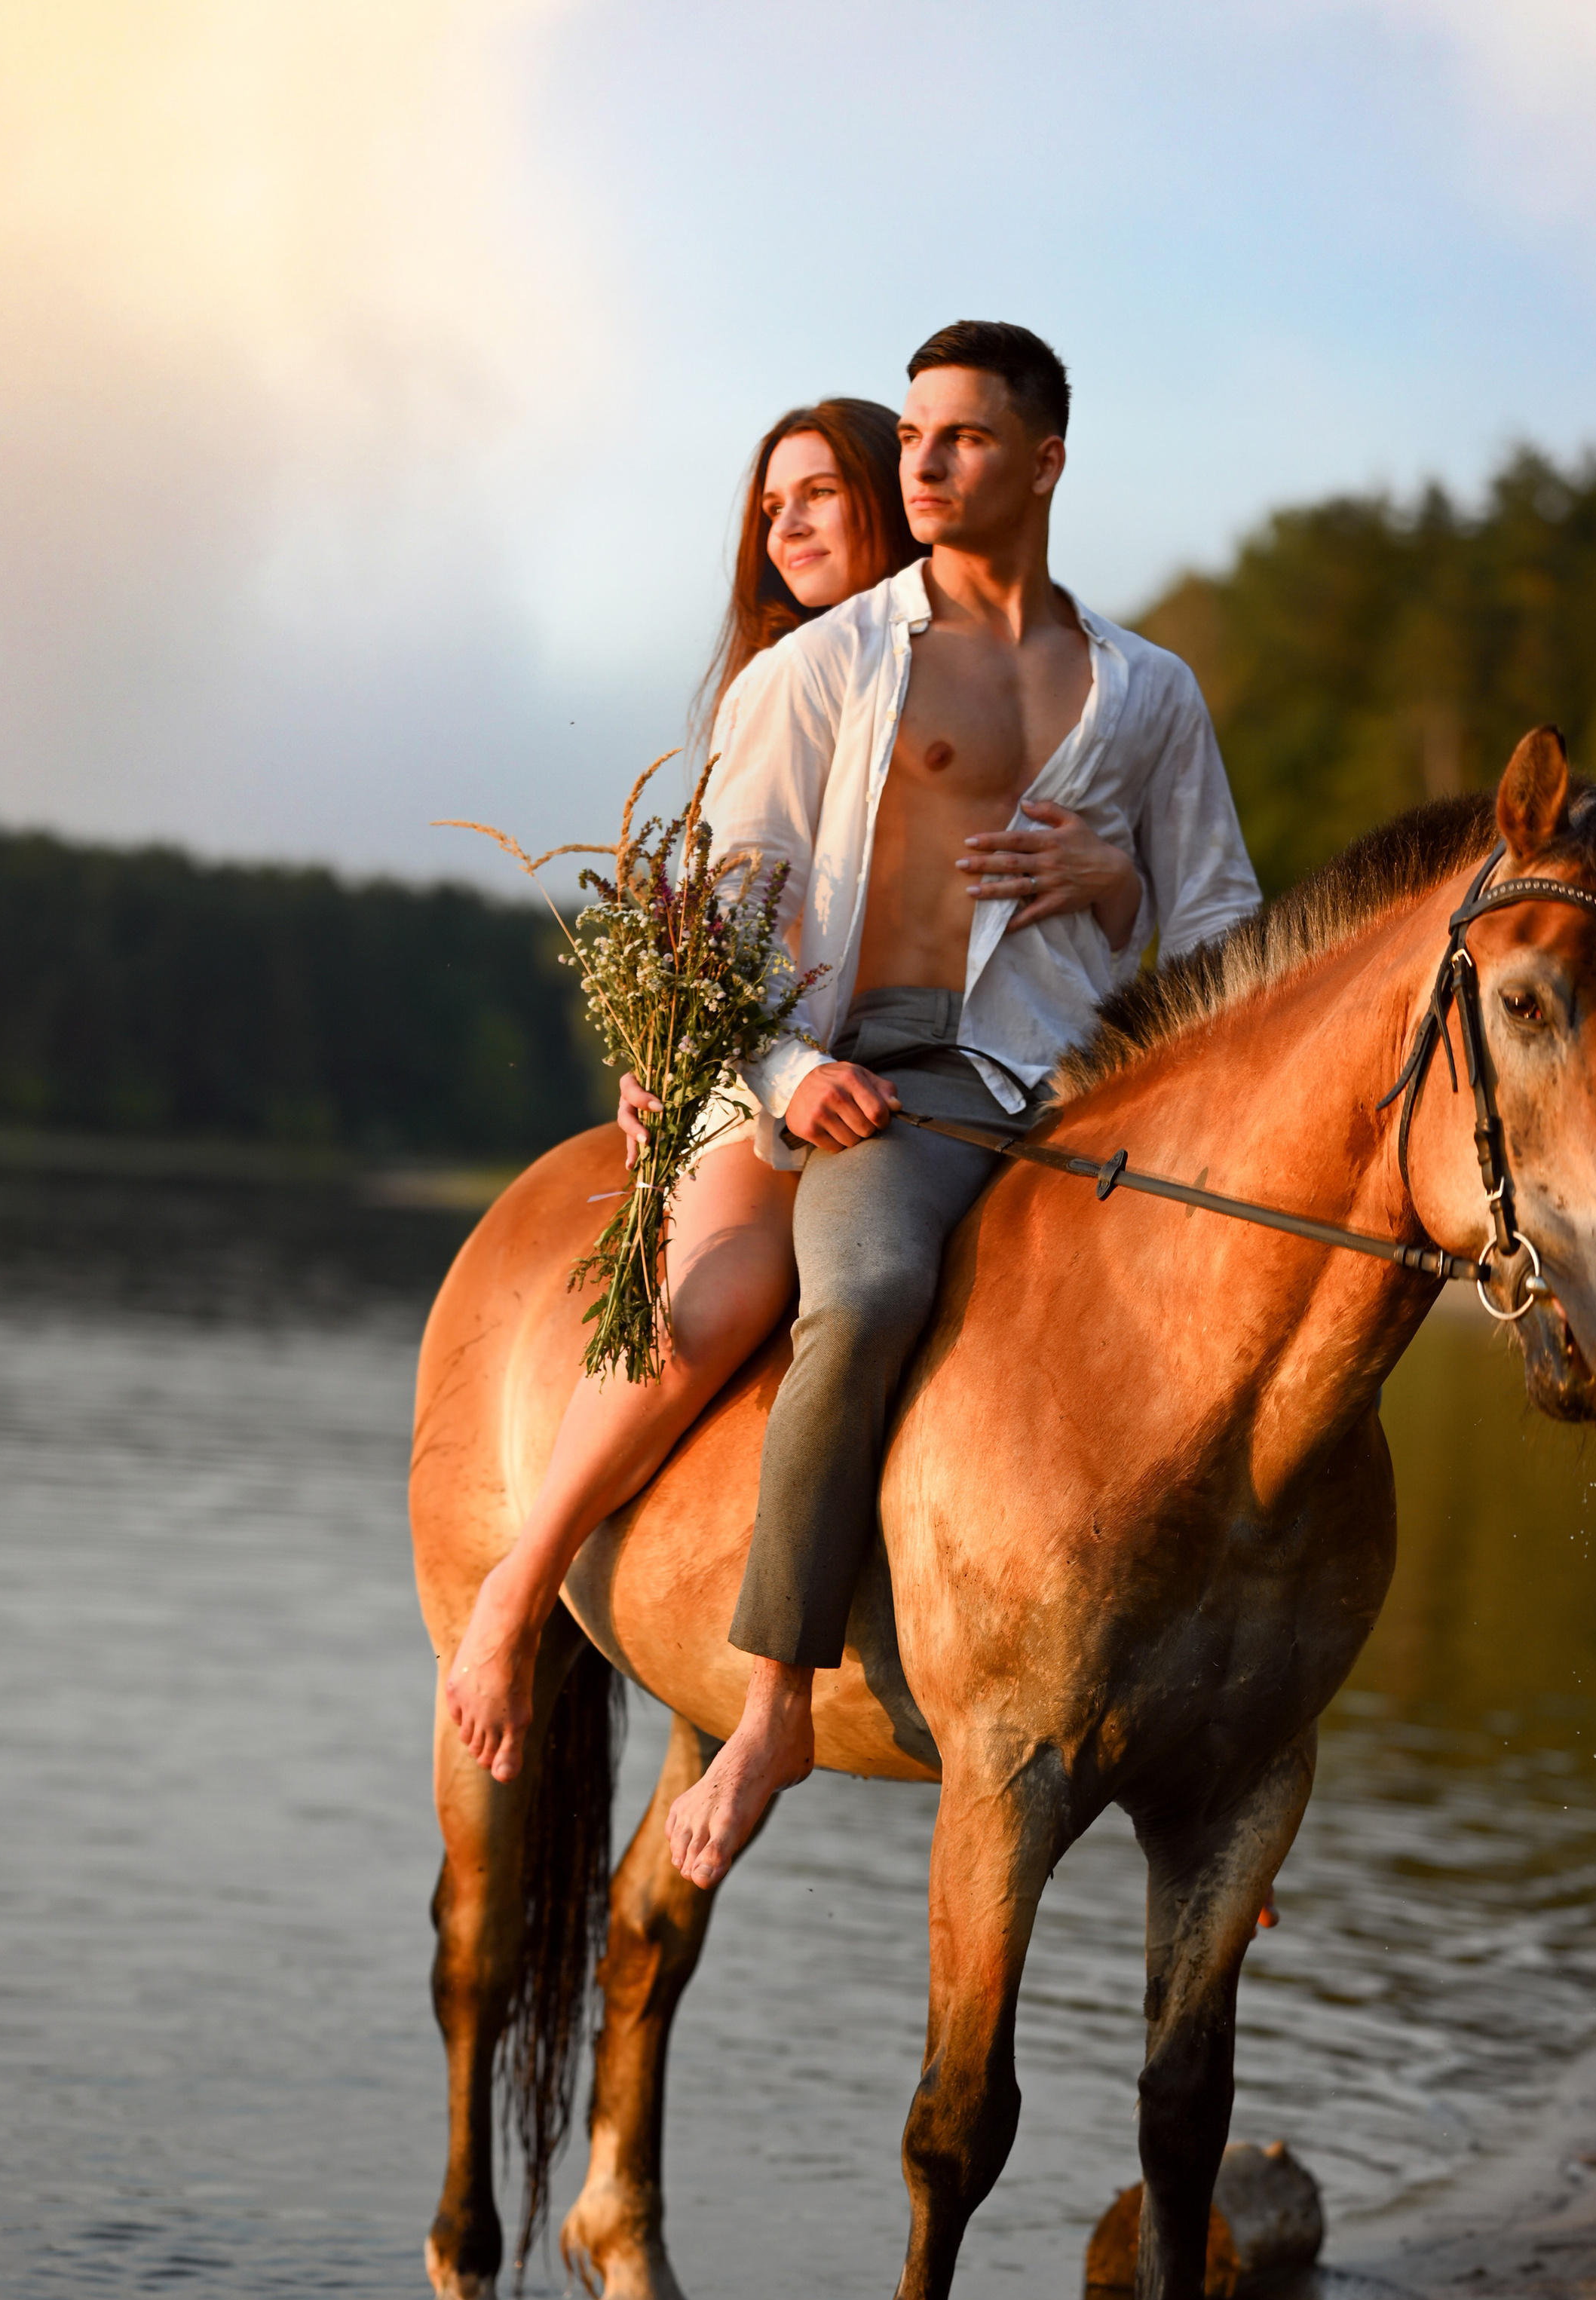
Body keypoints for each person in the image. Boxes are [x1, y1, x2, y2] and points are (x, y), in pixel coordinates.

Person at [444, 396, 1140, 1780]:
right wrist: (689, 1050)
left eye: (821, 493)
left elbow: (1060, 919)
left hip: (973, 1074)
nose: (791, 525)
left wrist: (1112, 877)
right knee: (728, 1295)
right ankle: (518, 1586)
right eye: (773, 507)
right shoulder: (784, 681)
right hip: (782, 1068)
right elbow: (726, 921)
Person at [664, 320, 1261, 1889]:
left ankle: (1227, 1702)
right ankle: (776, 1703)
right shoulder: (823, 670)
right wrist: (798, 1077)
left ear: (1046, 462)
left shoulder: (1144, 694)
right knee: (859, 1293)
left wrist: (1119, 880)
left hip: (1081, 1091)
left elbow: (1225, 944)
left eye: (963, 440)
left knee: (1265, 1304)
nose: (919, 464)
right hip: (896, 1082)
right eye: (911, 437)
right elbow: (716, 948)